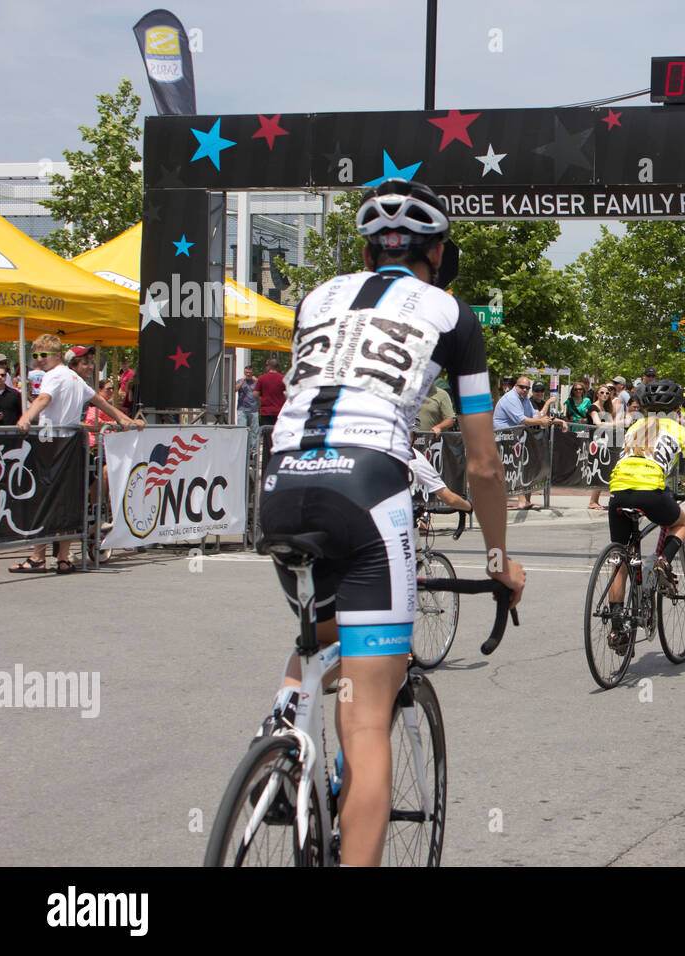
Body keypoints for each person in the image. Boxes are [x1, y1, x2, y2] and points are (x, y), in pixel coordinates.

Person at [258, 178, 524, 867]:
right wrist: (499, 561)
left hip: (282, 482)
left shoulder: (315, 299)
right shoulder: (454, 316)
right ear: (438, 253)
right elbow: (485, 464)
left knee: (320, 633)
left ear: (369, 250)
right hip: (367, 487)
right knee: (369, 718)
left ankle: (282, 732)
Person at [604, 380, 685, 652]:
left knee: (620, 557)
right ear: (675, 410)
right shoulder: (679, 430)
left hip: (618, 491)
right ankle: (663, 561)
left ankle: (616, 625)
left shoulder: (634, 427)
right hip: (650, 491)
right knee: (680, 523)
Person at [9, 335, 144, 574]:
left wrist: (26, 417)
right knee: (66, 503)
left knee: (47, 501)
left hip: (52, 443)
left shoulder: (55, 375)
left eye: (43, 356)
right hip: (71, 445)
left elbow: (44, 398)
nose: (39, 361)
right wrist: (122, 418)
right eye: (36, 356)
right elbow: (99, 401)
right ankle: (63, 558)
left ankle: (39, 557)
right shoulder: (74, 378)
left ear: (57, 356)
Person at [493, 374, 566, 510]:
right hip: (504, 438)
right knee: (516, 468)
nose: (525, 390)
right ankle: (520, 501)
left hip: (515, 438)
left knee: (521, 467)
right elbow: (523, 420)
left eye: (527, 388)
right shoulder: (511, 398)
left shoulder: (524, 399)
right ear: (515, 386)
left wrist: (558, 421)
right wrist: (541, 421)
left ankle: (524, 500)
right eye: (522, 387)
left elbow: (535, 416)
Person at [255, 357, 286, 464]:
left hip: (266, 412)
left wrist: (264, 394)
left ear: (269, 366)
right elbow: (288, 392)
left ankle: (266, 464)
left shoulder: (262, 378)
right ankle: (278, 461)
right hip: (279, 412)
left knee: (267, 439)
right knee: (278, 438)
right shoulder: (283, 378)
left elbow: (255, 394)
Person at [0, 364, 21, 449]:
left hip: (11, 437)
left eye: (2, 375)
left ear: (6, 377)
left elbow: (21, 414)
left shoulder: (15, 394)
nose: (0, 377)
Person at [235, 366, 259, 434]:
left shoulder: (256, 381)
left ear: (252, 373)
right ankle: (243, 444)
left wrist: (257, 381)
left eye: (250, 373)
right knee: (241, 429)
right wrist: (242, 381)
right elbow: (235, 389)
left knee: (254, 430)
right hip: (242, 408)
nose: (248, 374)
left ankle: (253, 444)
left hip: (253, 409)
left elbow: (263, 389)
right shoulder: (240, 381)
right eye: (246, 372)